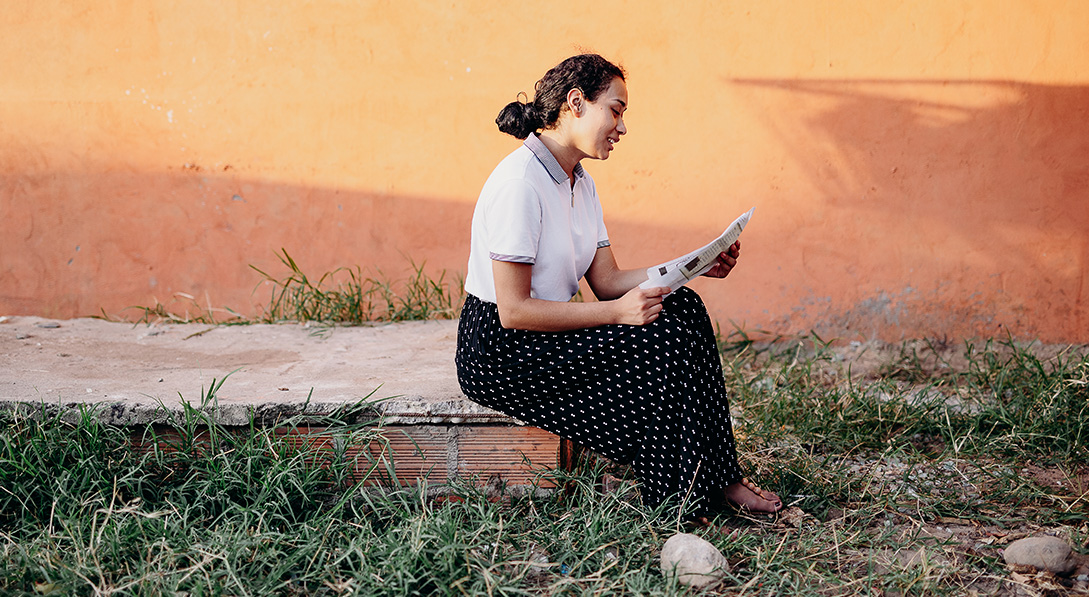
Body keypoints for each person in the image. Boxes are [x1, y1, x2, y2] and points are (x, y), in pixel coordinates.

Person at [455, 53, 781, 521]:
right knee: (655, 348)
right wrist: (617, 314)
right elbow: (514, 310)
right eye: (617, 109)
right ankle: (677, 503)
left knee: (682, 308)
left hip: (543, 330)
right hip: (501, 350)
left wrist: (692, 267)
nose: (622, 127)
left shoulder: (579, 181)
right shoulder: (520, 183)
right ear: (576, 103)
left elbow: (607, 281)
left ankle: (721, 477)